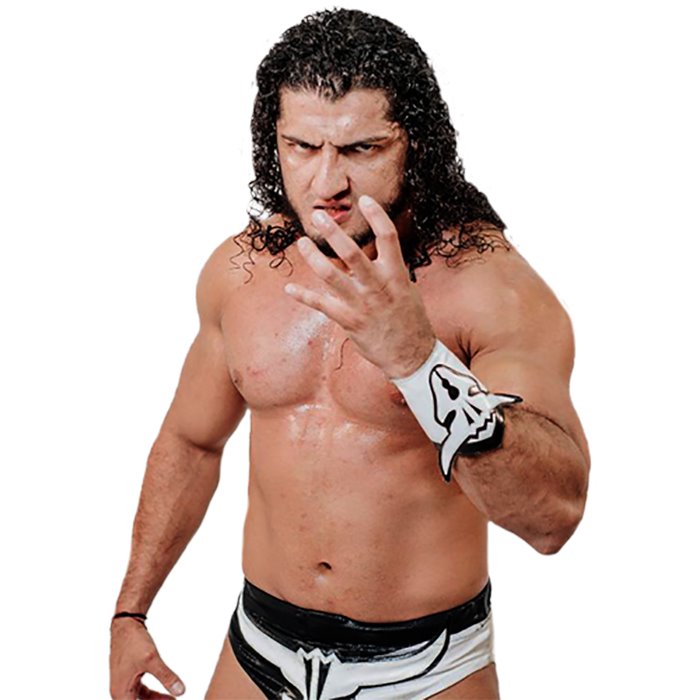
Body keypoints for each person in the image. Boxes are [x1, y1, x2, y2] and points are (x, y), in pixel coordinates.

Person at [109, 8, 590, 700]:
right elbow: (192, 443)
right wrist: (131, 612)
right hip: (258, 648)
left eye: (361, 149)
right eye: (302, 147)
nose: (327, 182)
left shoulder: (490, 288)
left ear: (416, 144)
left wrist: (418, 361)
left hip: (427, 669)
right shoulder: (242, 272)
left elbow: (554, 516)